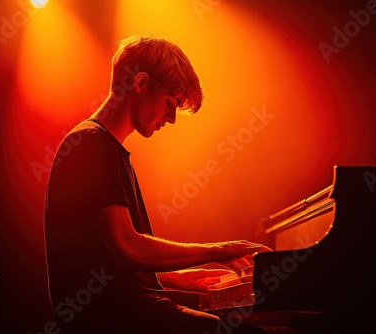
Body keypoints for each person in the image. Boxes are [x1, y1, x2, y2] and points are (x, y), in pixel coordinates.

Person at [44, 35, 271, 334]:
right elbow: (126, 246)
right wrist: (222, 249)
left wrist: (175, 277)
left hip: (123, 309)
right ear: (140, 83)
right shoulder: (90, 144)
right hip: (111, 318)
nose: (172, 118)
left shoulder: (106, 147)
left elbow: (105, 259)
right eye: (171, 103)